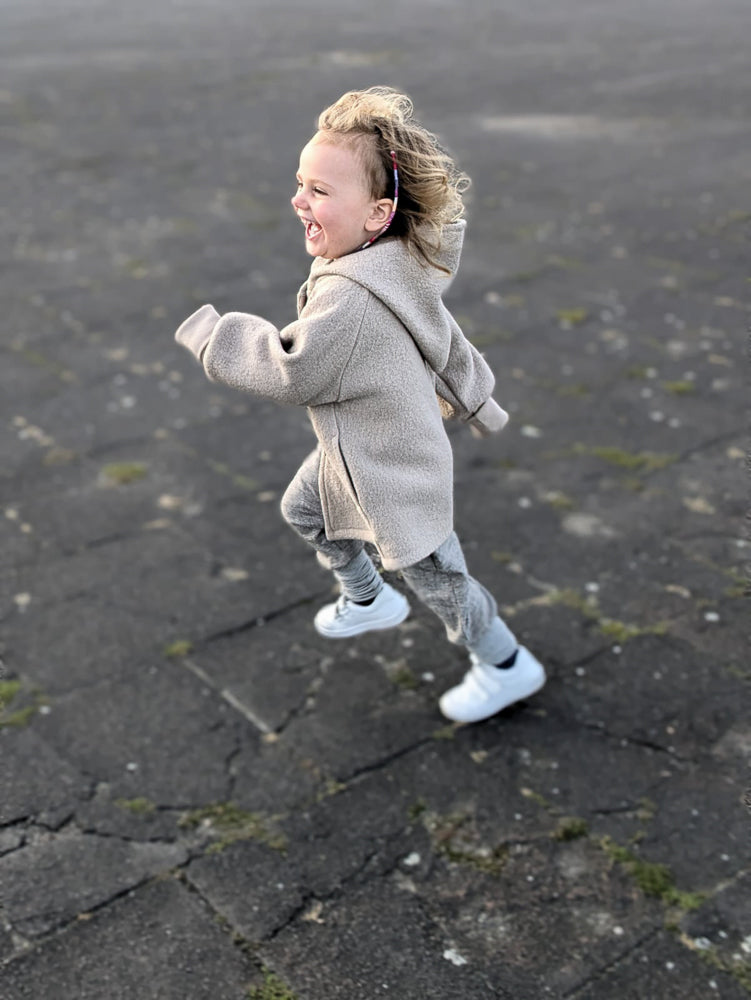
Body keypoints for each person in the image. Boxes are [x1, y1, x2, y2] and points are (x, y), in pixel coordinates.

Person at [175, 86, 546, 723]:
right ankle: (369, 597)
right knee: (302, 509)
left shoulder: (351, 300)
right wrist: (475, 400)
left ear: (377, 214)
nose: (299, 200)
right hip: (356, 452)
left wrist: (215, 336)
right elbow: (444, 337)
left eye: (320, 190)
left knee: (444, 585)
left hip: (395, 473)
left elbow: (293, 372)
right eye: (300, 183)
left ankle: (507, 663)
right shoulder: (391, 263)